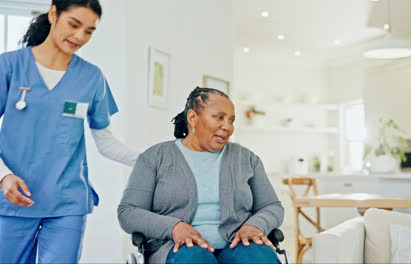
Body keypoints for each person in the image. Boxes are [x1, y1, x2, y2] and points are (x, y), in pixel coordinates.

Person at [0, 0, 139, 263]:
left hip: (67, 200)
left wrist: (154, 159)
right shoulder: (9, 66)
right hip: (14, 198)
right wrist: (4, 176)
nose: (79, 36)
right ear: (53, 14)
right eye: (74, 25)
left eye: (88, 31)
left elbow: (105, 142)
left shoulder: (90, 77)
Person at [118, 87, 284, 264]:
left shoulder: (247, 158)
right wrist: (173, 227)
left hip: (239, 244)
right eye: (219, 117)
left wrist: (255, 225)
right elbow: (128, 212)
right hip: (175, 247)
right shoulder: (155, 157)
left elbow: (272, 206)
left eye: (231, 120)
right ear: (192, 118)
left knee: (260, 259)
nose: (227, 127)